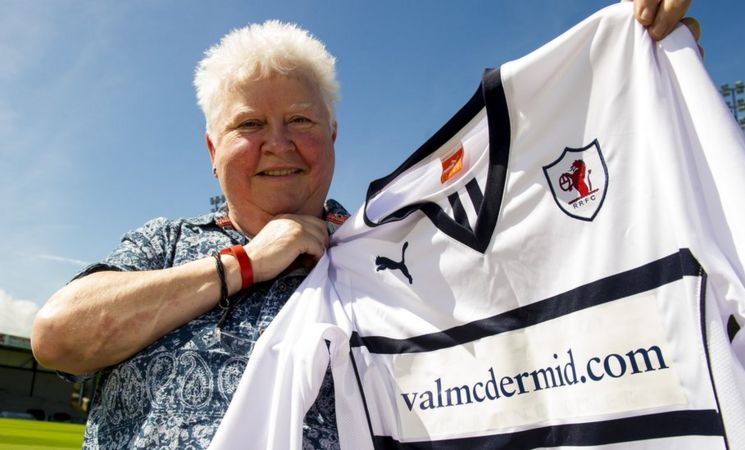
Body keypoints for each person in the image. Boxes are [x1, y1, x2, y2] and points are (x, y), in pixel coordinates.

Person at [30, 2, 694, 448]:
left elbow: (548, 271)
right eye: (250, 125)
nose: (279, 144)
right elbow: (58, 338)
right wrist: (246, 264)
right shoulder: (166, 245)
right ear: (212, 153)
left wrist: (637, 74)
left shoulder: (391, 247)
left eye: (301, 121)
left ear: (335, 135)